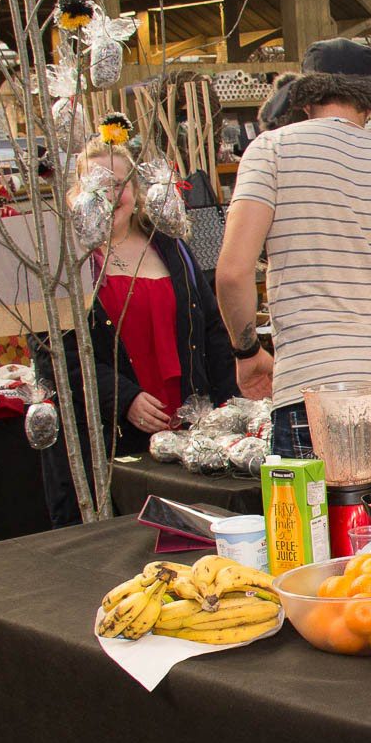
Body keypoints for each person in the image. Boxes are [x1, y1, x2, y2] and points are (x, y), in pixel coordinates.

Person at [216, 38, 371, 466]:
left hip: (315, 384)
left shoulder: (271, 150)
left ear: (304, 98)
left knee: (317, 513)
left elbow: (232, 273)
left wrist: (247, 353)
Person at [39, 139, 238, 525]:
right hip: (110, 443)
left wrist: (228, 412)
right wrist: (122, 396)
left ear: (135, 190)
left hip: (186, 435)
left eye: (118, 184)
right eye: (95, 184)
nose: (109, 195)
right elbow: (53, 356)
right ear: (76, 193)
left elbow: (211, 329)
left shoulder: (171, 246)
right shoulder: (63, 260)